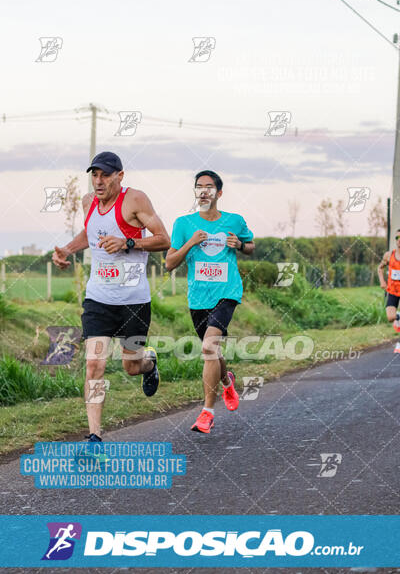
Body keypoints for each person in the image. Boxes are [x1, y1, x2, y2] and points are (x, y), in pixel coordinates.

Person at [52, 151, 170, 441]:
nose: (99, 180)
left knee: (131, 367)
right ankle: (94, 437)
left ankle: (149, 364)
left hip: (133, 301)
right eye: (95, 174)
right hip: (98, 299)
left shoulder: (135, 200)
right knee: (94, 364)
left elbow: (163, 238)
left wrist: (128, 242)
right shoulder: (88, 202)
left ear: (120, 176)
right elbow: (90, 234)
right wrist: (67, 249)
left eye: (105, 174)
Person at [166, 170, 255, 433]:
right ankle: (227, 381)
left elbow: (251, 246)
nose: (203, 191)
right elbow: (170, 263)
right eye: (199, 187)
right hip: (198, 297)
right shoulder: (184, 224)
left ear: (219, 193)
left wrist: (239, 244)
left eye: (209, 187)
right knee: (213, 352)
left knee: (208, 348)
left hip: (227, 293)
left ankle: (206, 413)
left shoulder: (234, 220)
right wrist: (190, 244)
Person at [378, 229, 400, 353]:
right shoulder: (389, 255)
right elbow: (379, 268)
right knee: (390, 318)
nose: (399, 240)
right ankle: (398, 316)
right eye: (397, 238)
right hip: (392, 291)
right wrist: (382, 281)